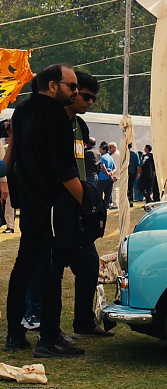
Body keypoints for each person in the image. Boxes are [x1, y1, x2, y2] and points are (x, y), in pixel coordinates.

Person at [4, 63, 85, 357]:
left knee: (25, 266)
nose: (75, 92)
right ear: (53, 86)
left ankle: (15, 333)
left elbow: (10, 160)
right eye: (72, 86)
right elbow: (64, 170)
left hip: (30, 202)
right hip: (51, 203)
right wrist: (86, 200)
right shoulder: (56, 117)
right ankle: (49, 338)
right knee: (51, 270)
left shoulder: (21, 111)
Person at [64, 70, 114, 338]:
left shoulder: (80, 127)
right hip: (59, 207)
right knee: (45, 270)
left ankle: (82, 323)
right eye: (86, 96)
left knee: (89, 265)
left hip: (79, 208)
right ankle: (31, 325)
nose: (90, 102)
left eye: (93, 98)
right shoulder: (55, 123)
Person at [96, 143, 116, 210]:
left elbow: (102, 166)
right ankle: (106, 206)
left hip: (102, 178)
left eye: (100, 149)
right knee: (108, 194)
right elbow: (115, 168)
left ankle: (100, 207)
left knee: (99, 194)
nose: (99, 151)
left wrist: (107, 173)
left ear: (104, 150)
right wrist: (111, 173)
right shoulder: (111, 157)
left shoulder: (102, 157)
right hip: (109, 179)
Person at [107, 142, 121, 209]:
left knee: (115, 189)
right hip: (113, 174)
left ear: (114, 147)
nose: (109, 149)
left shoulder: (116, 154)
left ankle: (115, 204)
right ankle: (114, 203)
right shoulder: (113, 154)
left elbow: (117, 165)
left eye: (110, 147)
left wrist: (115, 175)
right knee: (113, 189)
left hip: (115, 175)